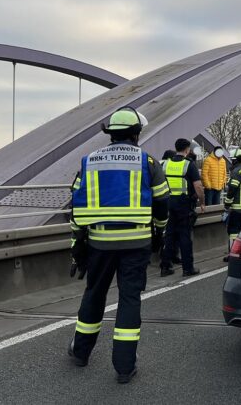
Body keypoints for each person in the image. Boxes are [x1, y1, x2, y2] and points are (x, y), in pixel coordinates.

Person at [68, 107, 169, 384]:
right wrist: (160, 233)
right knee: (129, 299)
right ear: (136, 134)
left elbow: (76, 208)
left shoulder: (89, 161)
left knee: (94, 294)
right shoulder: (147, 162)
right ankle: (124, 367)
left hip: (100, 243)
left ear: (110, 134)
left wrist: (77, 243)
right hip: (136, 244)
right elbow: (162, 202)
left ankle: (80, 353)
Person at [160, 138, 205, 277]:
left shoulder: (165, 164)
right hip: (184, 204)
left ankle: (165, 267)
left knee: (169, 235)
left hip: (168, 202)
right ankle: (188, 268)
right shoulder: (188, 165)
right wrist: (202, 202)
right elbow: (198, 186)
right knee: (184, 236)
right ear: (187, 149)